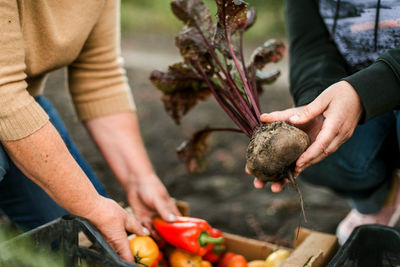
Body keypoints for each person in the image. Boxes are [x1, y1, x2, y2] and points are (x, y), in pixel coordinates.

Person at [0, 0, 180, 262]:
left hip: (21, 101)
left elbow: (99, 73)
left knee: (84, 241)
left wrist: (139, 178)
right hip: (7, 98)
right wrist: (90, 204)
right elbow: (4, 93)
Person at [248, 0, 400, 244]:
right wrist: (315, 106)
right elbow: (311, 46)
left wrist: (363, 92)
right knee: (317, 147)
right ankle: (377, 203)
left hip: (377, 84)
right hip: (357, 102)